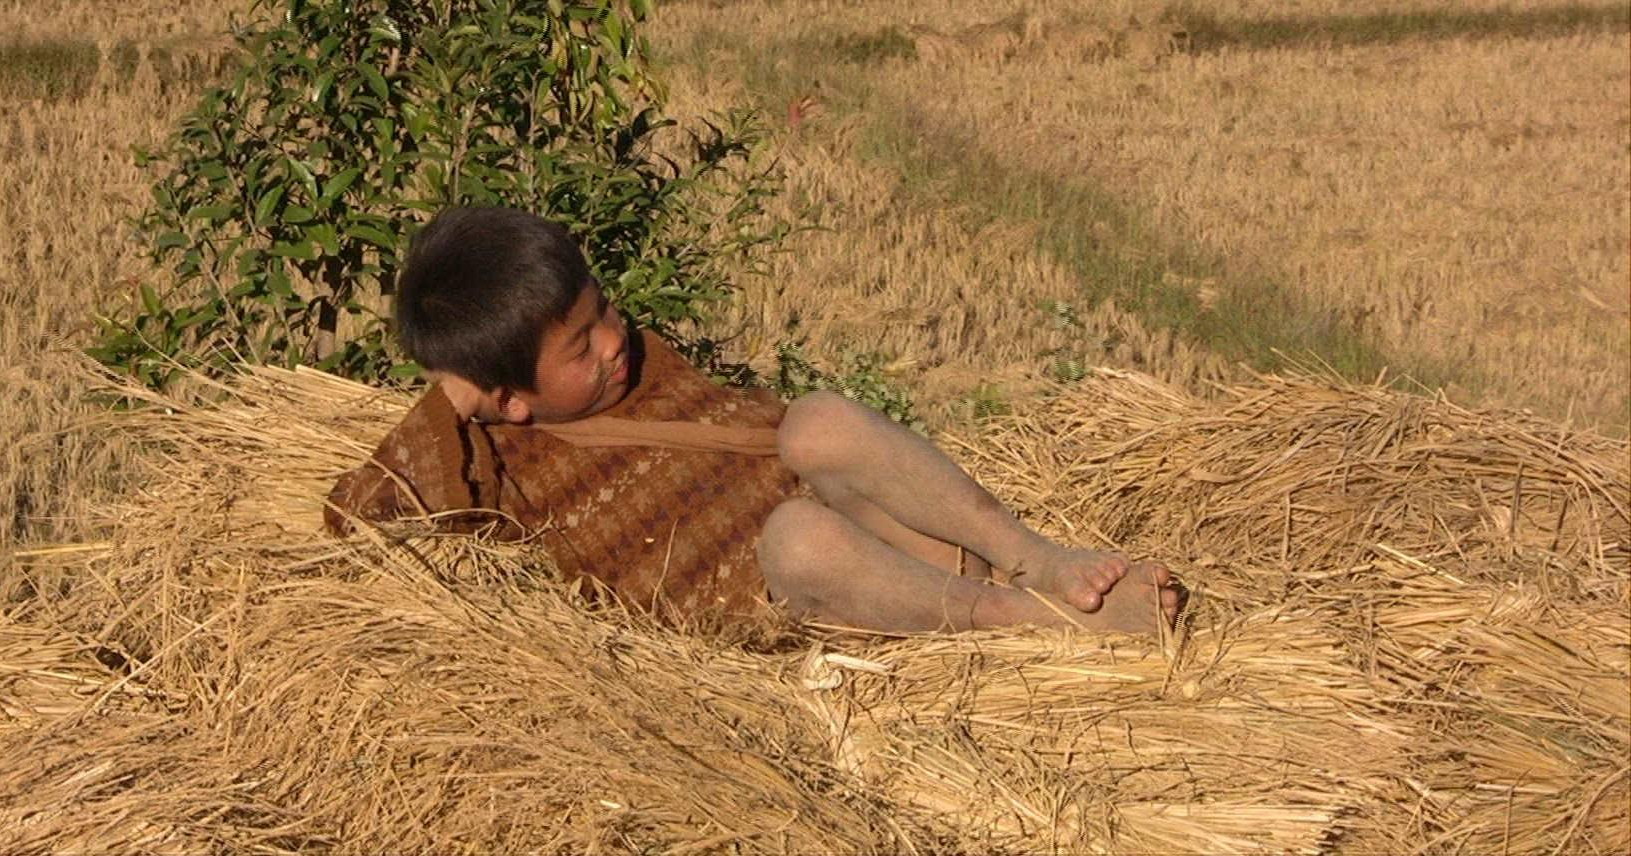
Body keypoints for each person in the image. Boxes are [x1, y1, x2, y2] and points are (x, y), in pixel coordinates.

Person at [325, 205, 1183, 635]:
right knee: (797, 536)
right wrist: (453, 399)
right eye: (581, 346)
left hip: (886, 534)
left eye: (605, 311)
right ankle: (1037, 625)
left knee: (816, 422)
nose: (616, 342)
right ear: (508, 396)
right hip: (806, 590)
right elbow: (359, 519)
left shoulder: (643, 370)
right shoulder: (502, 465)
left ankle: (1036, 559)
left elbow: (783, 440)